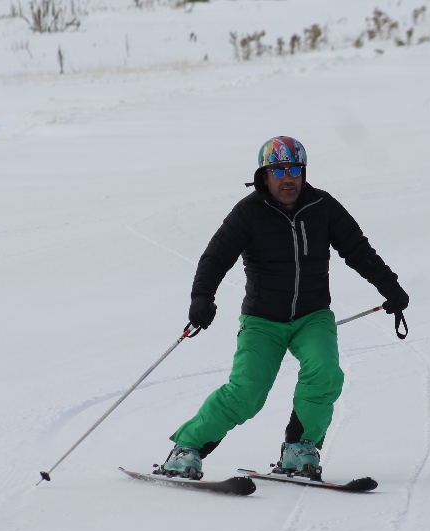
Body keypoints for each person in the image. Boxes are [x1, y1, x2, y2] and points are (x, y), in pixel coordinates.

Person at [160, 136, 408, 480]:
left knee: (325, 372)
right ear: (264, 175)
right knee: (247, 393)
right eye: (278, 170)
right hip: (262, 321)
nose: (287, 178)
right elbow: (215, 257)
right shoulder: (248, 213)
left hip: (313, 316)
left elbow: (358, 249)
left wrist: (390, 287)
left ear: (303, 173)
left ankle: (299, 449)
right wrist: (202, 297)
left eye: (294, 169)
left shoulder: (323, 207)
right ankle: (186, 449)